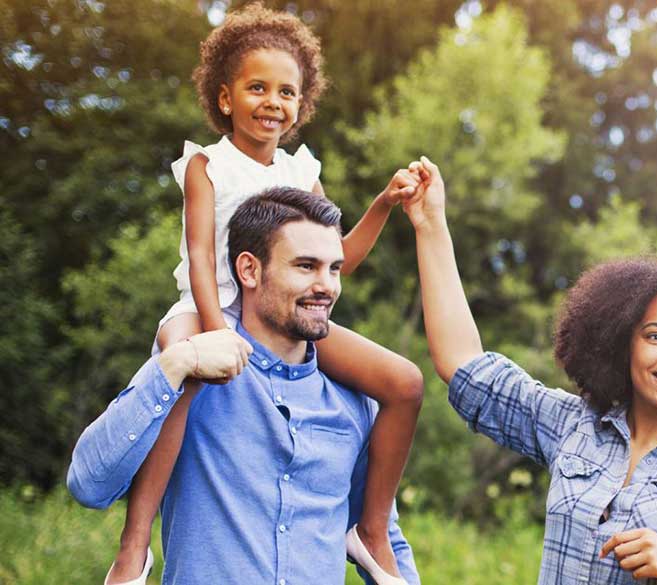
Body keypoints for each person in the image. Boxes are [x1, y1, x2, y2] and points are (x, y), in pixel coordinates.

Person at [100, 4, 422, 584]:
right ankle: (135, 543)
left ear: (302, 103)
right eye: (257, 88)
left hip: (280, 314)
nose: (273, 102)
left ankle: (369, 527)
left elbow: (339, 254)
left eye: (287, 92)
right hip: (207, 304)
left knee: (404, 382)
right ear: (226, 98)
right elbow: (200, 254)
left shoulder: (302, 172)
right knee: (178, 376)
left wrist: (384, 202)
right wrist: (212, 333)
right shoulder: (207, 165)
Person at [400, 158, 657, 584]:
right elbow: (462, 364)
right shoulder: (573, 426)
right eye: (655, 336)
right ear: (621, 342)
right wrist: (430, 225)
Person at [68, 187, 421, 584]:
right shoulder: (190, 380)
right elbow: (89, 485)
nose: (327, 286)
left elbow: (382, 534)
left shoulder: (353, 402)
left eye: (334, 268)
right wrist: (174, 364)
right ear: (249, 270)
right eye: (306, 266)